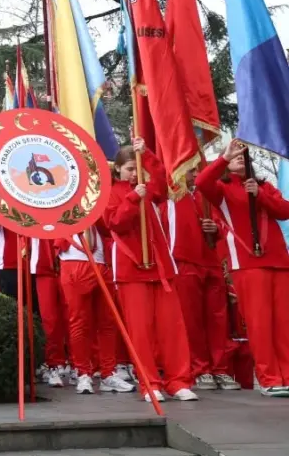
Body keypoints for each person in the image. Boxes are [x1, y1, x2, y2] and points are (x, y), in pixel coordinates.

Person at [105, 140, 196, 403]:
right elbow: (114, 222)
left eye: (137, 169)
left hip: (160, 267)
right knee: (140, 332)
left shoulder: (150, 187)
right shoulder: (112, 192)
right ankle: (150, 383)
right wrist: (133, 198)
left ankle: (178, 381)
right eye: (129, 168)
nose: (134, 174)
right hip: (131, 270)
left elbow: (163, 179)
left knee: (172, 328)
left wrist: (146, 154)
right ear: (118, 169)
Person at [196, 139, 289, 397]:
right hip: (247, 263)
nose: (240, 156)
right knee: (260, 323)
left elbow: (284, 211)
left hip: (279, 261)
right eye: (235, 155)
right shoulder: (222, 188)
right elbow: (202, 181)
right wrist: (224, 157)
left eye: (243, 154)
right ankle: (270, 378)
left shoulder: (264, 186)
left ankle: (287, 375)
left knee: (283, 322)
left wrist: (260, 194)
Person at [167, 168, 239, 391]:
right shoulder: (173, 194)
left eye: (198, 167)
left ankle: (220, 368)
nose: (195, 172)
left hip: (211, 260)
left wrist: (215, 228)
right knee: (192, 319)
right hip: (185, 260)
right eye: (190, 168)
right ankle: (200, 369)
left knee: (218, 318)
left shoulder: (206, 194)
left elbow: (224, 223)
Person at [57, 224, 129, 394]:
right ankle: (83, 374)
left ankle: (108, 373)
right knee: (79, 322)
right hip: (73, 258)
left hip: (102, 260)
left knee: (107, 322)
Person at [30, 236, 68, 388]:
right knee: (49, 319)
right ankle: (53, 364)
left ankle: (79, 367)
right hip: (44, 265)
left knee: (71, 317)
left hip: (69, 259)